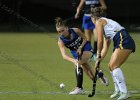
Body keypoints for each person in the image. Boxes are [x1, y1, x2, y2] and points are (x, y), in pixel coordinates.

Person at [90, 7, 135, 100]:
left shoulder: (99, 21)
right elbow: (105, 47)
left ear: (93, 18)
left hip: (123, 39)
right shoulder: (106, 27)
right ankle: (118, 91)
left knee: (114, 65)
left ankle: (125, 92)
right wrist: (98, 61)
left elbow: (99, 42)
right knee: (110, 66)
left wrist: (97, 53)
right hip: (120, 40)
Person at [55, 17, 108, 95]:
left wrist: (80, 47)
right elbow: (64, 55)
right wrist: (74, 60)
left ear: (66, 28)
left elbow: (85, 38)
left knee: (77, 64)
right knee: (92, 78)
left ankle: (79, 88)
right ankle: (100, 75)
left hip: (87, 49)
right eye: (59, 32)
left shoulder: (75, 30)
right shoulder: (61, 41)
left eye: (63, 30)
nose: (61, 33)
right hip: (77, 56)